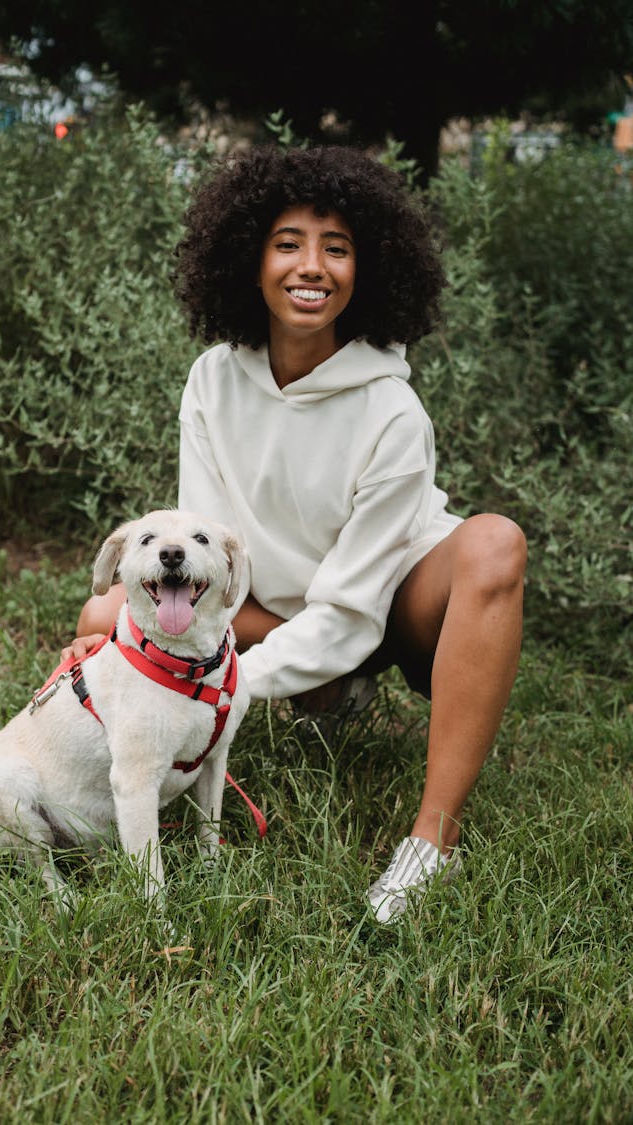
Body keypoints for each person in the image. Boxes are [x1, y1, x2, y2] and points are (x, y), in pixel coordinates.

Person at [69, 146, 527, 924]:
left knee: (496, 543)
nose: (310, 266)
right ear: (250, 262)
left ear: (364, 272)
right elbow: (200, 561)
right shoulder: (212, 379)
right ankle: (110, 781)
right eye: (288, 243)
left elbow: (352, 610)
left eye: (337, 247)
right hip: (271, 612)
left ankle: (431, 843)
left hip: (385, 610)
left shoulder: (391, 409)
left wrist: (223, 685)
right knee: (101, 619)